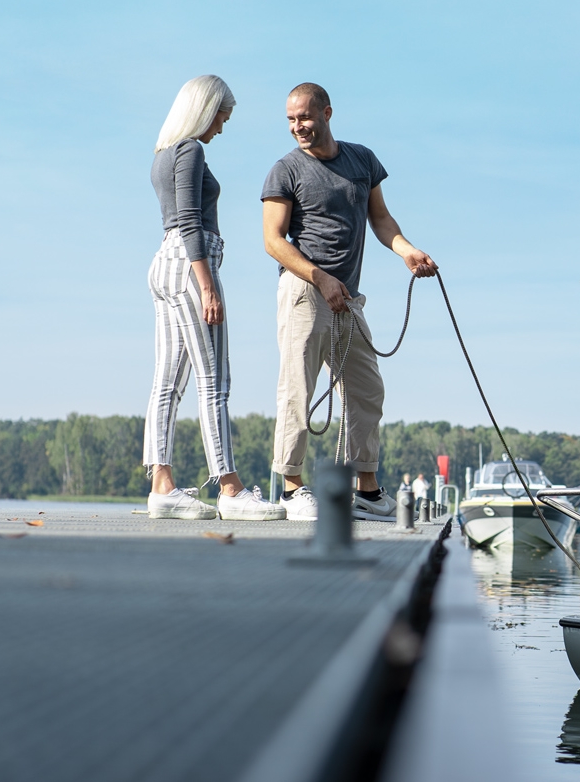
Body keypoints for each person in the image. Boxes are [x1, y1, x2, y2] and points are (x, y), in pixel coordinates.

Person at [262, 83, 438, 521]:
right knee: (296, 390)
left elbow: (380, 218)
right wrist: (320, 278)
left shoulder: (361, 160)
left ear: (327, 113)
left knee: (366, 389)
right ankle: (291, 488)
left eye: (304, 117)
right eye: (290, 120)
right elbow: (272, 241)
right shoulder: (285, 170)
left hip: (349, 298)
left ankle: (367, 491)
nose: (297, 127)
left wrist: (407, 251)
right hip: (306, 290)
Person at [145, 75, 285, 521]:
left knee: (167, 382)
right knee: (214, 381)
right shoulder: (190, 150)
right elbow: (189, 221)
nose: (222, 126)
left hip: (165, 265)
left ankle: (162, 485)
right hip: (192, 264)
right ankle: (229, 487)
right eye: (222, 115)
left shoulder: (162, 154)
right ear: (205, 109)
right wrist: (207, 285)